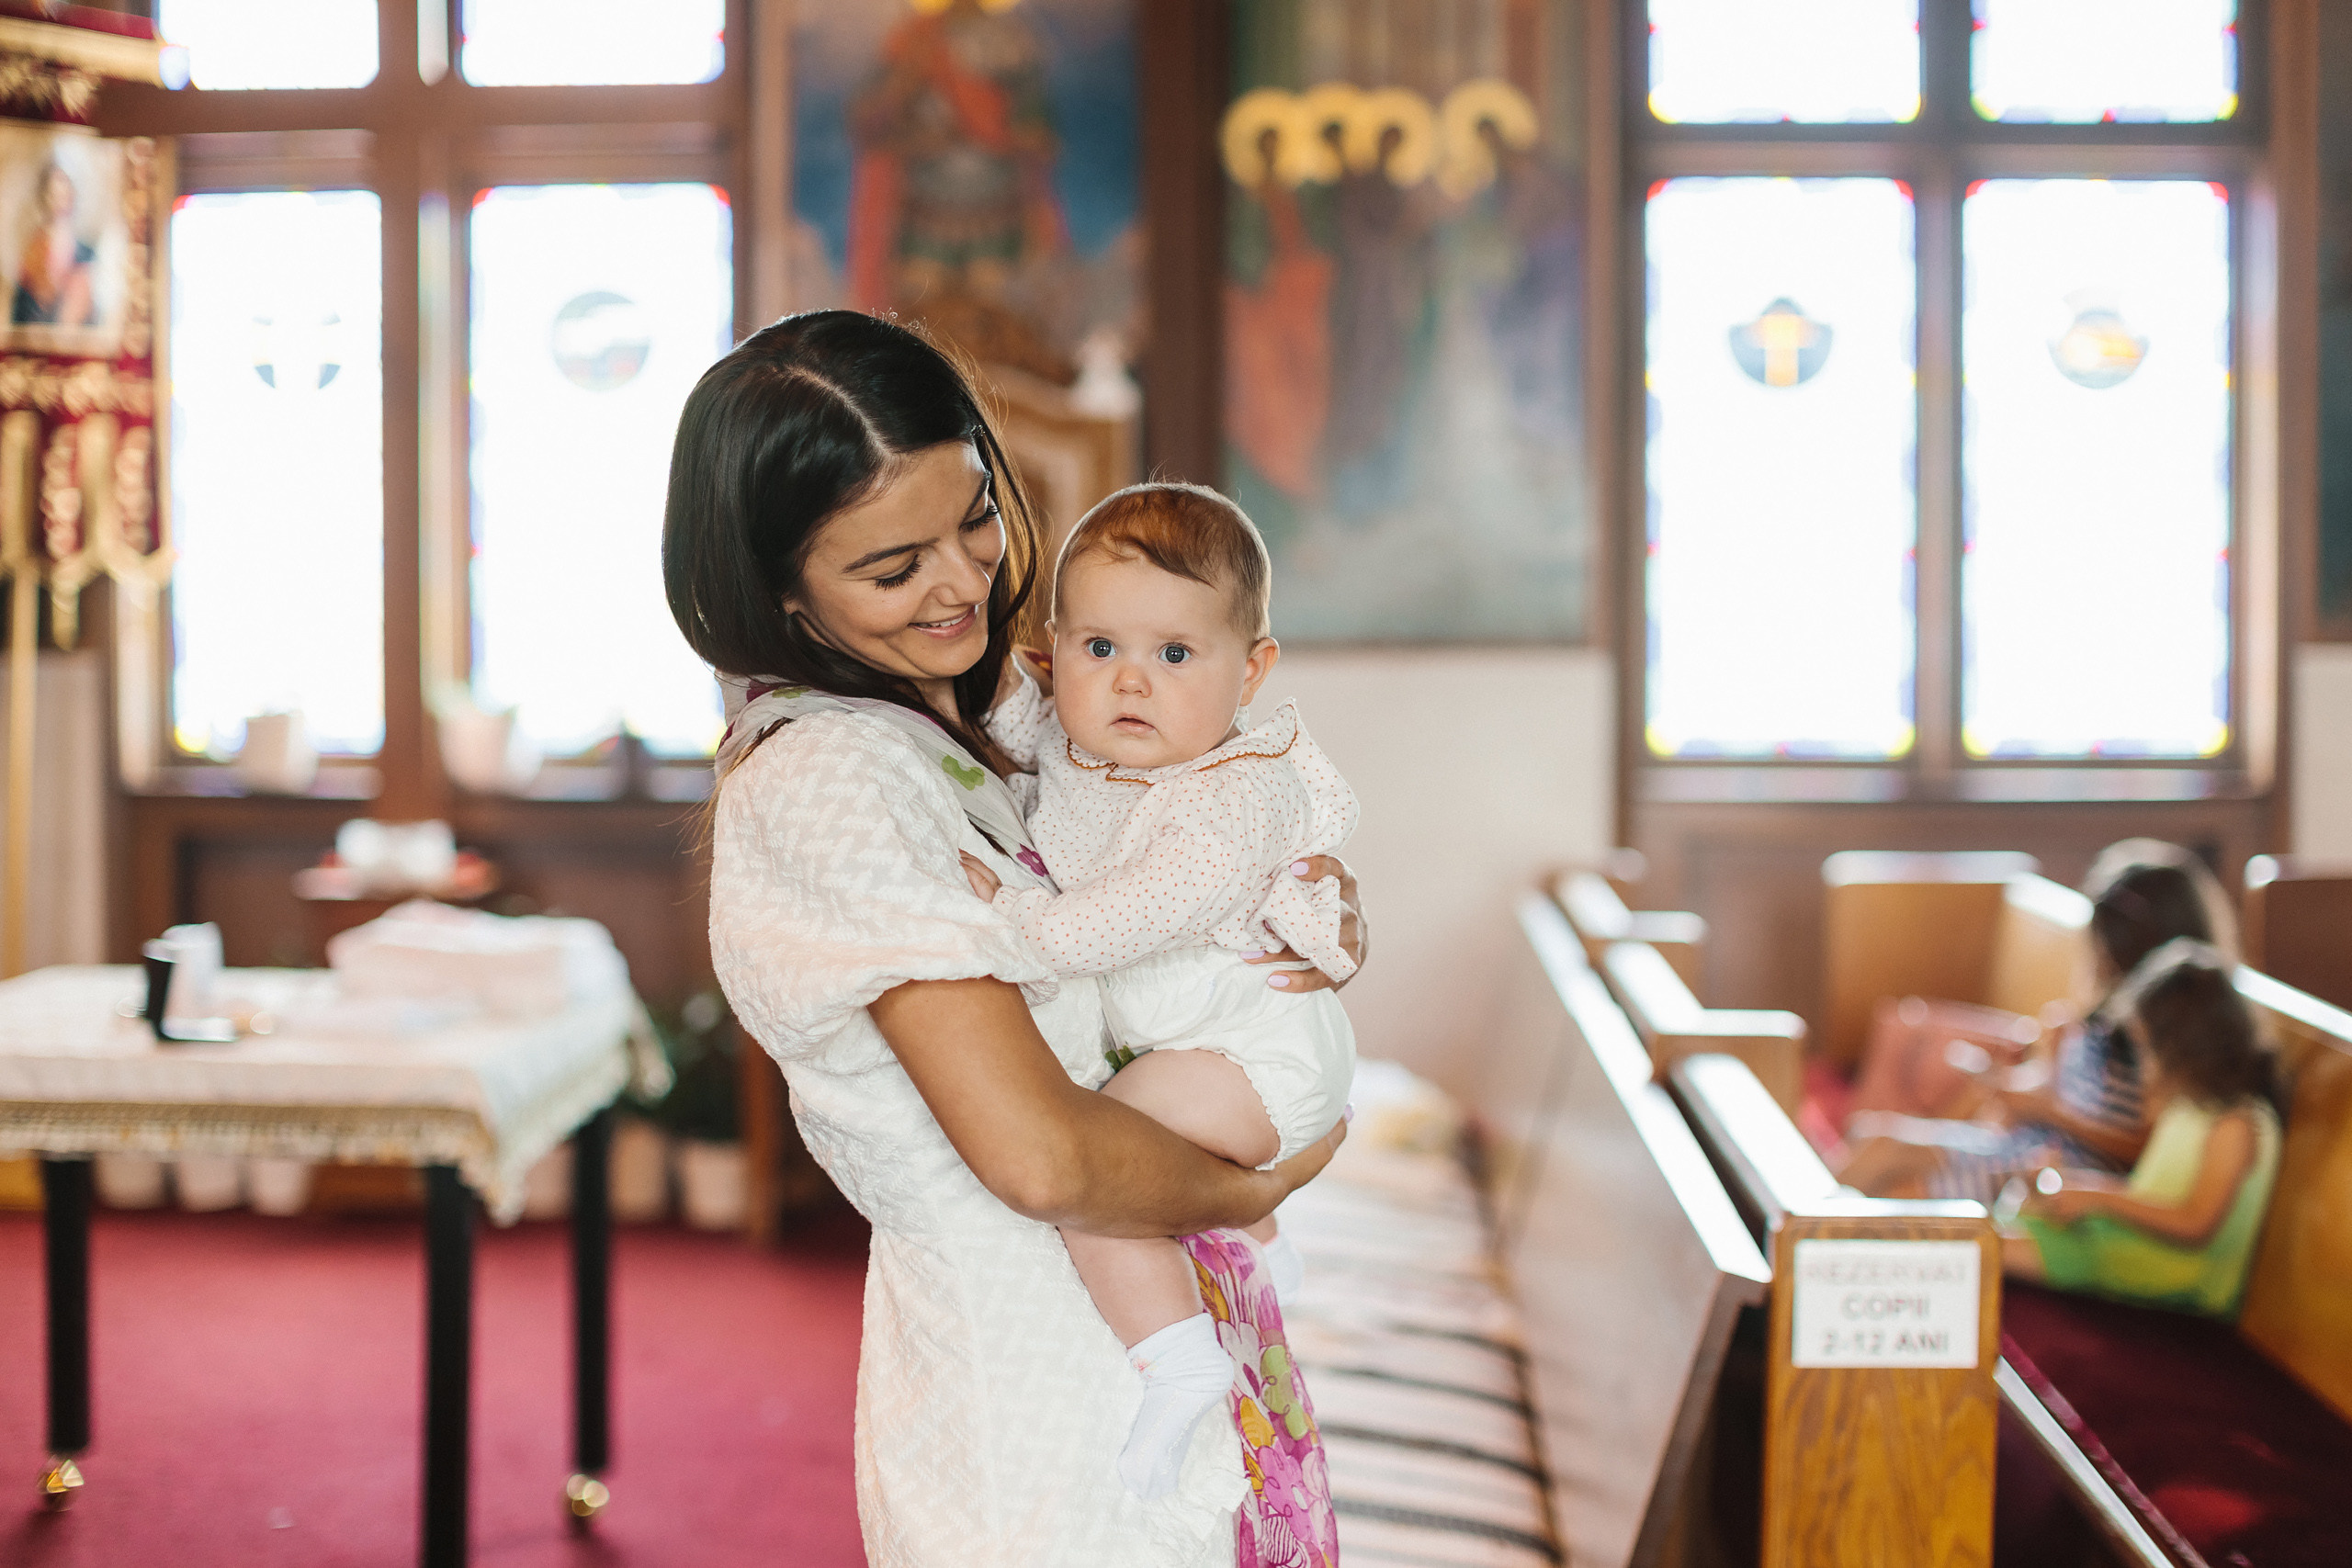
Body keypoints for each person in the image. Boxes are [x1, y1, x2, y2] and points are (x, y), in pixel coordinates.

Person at [662, 309, 1362, 1568]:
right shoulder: (829, 779)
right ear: (780, 590)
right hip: (1032, 1393)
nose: (962, 583)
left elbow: (1191, 829)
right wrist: (1259, 1190)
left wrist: (1299, 897)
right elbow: (1038, 1160)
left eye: (975, 515)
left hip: (1125, 1306)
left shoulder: (973, 707)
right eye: (893, 568)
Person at [957, 482, 1358, 1500]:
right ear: (1055, 651)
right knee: (1117, 1133)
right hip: (1201, 1050)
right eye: (1100, 647)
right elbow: (998, 716)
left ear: (1249, 671)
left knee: (1095, 1168)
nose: (1130, 680)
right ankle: (1264, 1247)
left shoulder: (1232, 798)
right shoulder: (1086, 744)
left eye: (1175, 654)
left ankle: (1176, 1356)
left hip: (1257, 1059)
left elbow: (1125, 916)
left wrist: (1013, 918)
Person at [1839, 840, 2232, 1202]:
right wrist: (2013, 1085)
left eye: (2109, 953)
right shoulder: (2101, 1021)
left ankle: (1820, 1235)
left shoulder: (2160, 1040)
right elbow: (2057, 1093)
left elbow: (2147, 1148)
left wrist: (2048, 1111)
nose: (2101, 963)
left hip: (2069, 1174)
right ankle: (1810, 1232)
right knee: (1876, 1138)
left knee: (1902, 1188)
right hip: (2033, 1146)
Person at [2003, 941, 2282, 1318]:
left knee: (1987, 1248)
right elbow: (2152, 1193)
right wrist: (2076, 1187)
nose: (2145, 1065)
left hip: (2177, 1273)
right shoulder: (2187, 1107)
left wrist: (2097, 1197)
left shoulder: (2237, 1123)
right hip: (2139, 1249)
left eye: (2147, 1049)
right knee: (2018, 1214)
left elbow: (2196, 1223)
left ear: (2184, 1047)